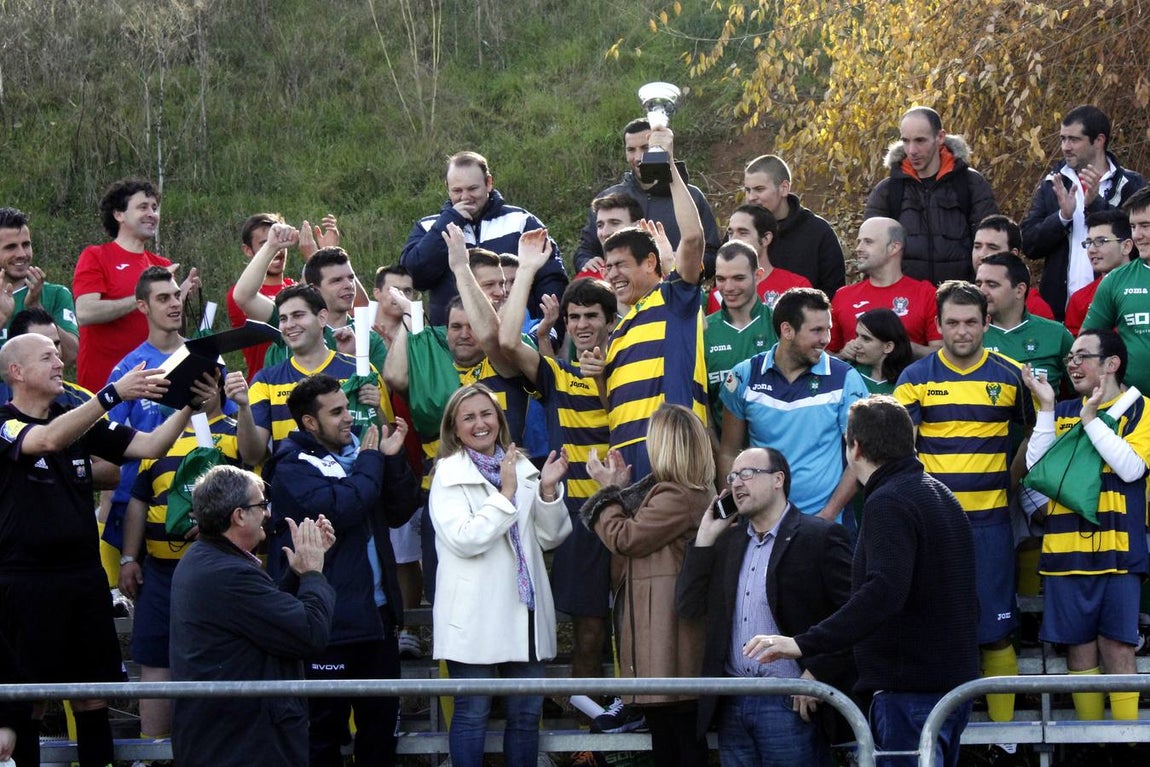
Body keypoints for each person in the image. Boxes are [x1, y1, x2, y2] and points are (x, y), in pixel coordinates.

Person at [0, 333, 210, 767]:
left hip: (83, 579)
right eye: (47, 357)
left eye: (60, 355)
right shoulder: (5, 423)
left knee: (92, 698)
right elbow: (46, 441)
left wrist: (191, 405)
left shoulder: (75, 418)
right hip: (24, 584)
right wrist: (112, 393)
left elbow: (150, 447)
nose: (60, 363)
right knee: (30, 702)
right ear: (16, 372)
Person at [746, 396, 979, 767]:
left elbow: (883, 592)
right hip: (949, 689)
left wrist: (803, 644)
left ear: (855, 447)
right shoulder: (940, 494)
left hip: (910, 694)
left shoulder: (889, 501)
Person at [894, 281, 1035, 733]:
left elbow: (1039, 431)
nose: (961, 332)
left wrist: (1011, 480)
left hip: (991, 523)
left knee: (995, 631)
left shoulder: (1012, 374)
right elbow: (900, 452)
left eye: (971, 322)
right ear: (938, 325)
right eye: (951, 323)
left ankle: (1006, 743)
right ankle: (943, 734)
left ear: (987, 323)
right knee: (937, 630)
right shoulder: (915, 379)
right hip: (935, 526)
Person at [264, 374, 417, 767]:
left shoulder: (362, 454)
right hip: (325, 623)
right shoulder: (291, 464)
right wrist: (371, 460)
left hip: (378, 618)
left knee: (380, 733)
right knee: (323, 734)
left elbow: (400, 510)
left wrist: (393, 457)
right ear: (309, 423)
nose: (348, 418)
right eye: (336, 412)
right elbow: (342, 508)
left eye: (347, 408)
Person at [676, 447, 853, 767]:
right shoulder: (727, 543)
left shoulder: (821, 537)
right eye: (732, 477)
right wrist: (705, 537)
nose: (737, 484)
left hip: (791, 702)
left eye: (747, 474)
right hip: (732, 702)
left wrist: (817, 673)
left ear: (778, 479)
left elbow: (854, 618)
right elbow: (688, 605)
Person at [428, 383, 570, 767]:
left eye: (486, 414)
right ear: (454, 428)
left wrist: (548, 491)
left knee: (526, 716)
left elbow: (550, 536)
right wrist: (505, 496)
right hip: (473, 616)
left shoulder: (522, 466)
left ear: (499, 419)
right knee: (472, 714)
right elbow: (466, 539)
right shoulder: (446, 474)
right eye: (469, 417)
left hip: (522, 613)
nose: (480, 424)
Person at [169, 465, 337, 767]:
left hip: (228, 740)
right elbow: (310, 632)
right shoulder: (227, 573)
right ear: (239, 516)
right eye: (261, 505)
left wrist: (296, 575)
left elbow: (259, 618)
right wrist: (313, 573)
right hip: (241, 746)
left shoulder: (204, 558)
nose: (268, 513)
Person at [1022, 330, 1147, 728]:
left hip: (1119, 549)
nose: (1072, 364)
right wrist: (1045, 408)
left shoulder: (1140, 408)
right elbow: (1037, 471)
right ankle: (1092, 745)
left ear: (1111, 364)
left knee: (1118, 646)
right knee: (1078, 649)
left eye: (1083, 356)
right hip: (1064, 551)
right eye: (1070, 357)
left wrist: (1091, 420)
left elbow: (1130, 468)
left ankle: (1126, 744)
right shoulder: (1062, 410)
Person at [582, 404, 713, 767]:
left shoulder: (677, 495)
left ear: (666, 445)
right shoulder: (680, 492)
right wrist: (619, 491)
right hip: (663, 642)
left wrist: (607, 492)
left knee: (680, 744)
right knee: (672, 741)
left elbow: (624, 537)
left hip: (671, 642)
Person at [117, 372, 242, 740]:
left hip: (220, 571)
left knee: (222, 659)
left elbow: (253, 484)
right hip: (160, 571)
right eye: (189, 386)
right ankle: (152, 752)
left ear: (219, 387)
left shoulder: (237, 430)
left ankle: (220, 750)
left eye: (205, 384)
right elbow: (138, 501)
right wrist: (128, 558)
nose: (198, 393)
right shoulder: (160, 436)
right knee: (155, 658)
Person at [582, 125, 709, 480]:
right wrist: (598, 378)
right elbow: (614, 408)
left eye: (621, 265)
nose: (612, 275)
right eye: (607, 267)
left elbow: (695, 237)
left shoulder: (673, 299)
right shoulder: (618, 330)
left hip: (673, 455)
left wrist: (666, 167)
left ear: (650, 263)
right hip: (628, 463)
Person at [718, 288, 869, 521]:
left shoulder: (846, 379)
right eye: (817, 330)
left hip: (824, 525)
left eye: (827, 329)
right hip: (760, 523)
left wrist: (827, 515)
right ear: (787, 330)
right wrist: (733, 513)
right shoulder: (744, 377)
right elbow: (729, 451)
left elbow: (861, 455)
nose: (826, 339)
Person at [401, 150, 567, 326]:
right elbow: (414, 277)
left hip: (515, 336)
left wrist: (548, 333)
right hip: (453, 340)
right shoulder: (429, 227)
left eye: (473, 189)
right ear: (447, 187)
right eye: (457, 190)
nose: (465, 197)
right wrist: (449, 222)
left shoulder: (521, 222)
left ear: (488, 183)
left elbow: (551, 278)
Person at [72, 177, 197, 392]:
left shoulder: (162, 265)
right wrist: (142, 298)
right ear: (119, 214)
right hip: (104, 387)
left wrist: (179, 301)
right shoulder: (96, 256)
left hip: (154, 386)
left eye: (155, 208)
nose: (152, 214)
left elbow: (172, 332)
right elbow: (85, 312)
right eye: (143, 207)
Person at [1021, 105, 1146, 317]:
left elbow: (1138, 241)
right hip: (1061, 309)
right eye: (1062, 139)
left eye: (1074, 139)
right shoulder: (1053, 183)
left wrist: (1096, 205)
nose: (1065, 147)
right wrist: (1062, 218)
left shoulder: (1130, 184)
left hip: (1118, 307)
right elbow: (1029, 244)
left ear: (1099, 140)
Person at [245, 284, 390, 464]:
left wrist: (377, 409)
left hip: (357, 484)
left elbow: (388, 437)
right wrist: (243, 407)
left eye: (298, 315)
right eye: (283, 318)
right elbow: (252, 457)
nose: (289, 325)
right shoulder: (265, 381)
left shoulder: (361, 370)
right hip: (295, 486)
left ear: (322, 318)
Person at [863, 107, 998, 285]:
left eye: (920, 141)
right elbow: (871, 255)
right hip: (905, 304)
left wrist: (976, 294)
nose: (912, 150)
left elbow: (992, 247)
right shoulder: (888, 191)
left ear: (940, 137)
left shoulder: (971, 184)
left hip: (961, 302)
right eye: (906, 141)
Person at [574, 118, 721, 275]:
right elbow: (585, 250)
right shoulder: (609, 197)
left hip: (677, 289)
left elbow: (713, 255)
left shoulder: (691, 197)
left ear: (660, 147)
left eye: (645, 148)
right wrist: (586, 261)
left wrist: (682, 261)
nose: (637, 158)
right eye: (631, 150)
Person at [831, 217, 941, 359]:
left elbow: (942, 354)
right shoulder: (843, 296)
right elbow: (823, 355)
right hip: (855, 380)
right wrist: (842, 355)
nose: (858, 248)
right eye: (859, 242)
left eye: (868, 242)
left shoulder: (926, 294)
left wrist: (903, 346)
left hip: (908, 380)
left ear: (894, 247)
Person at [742, 154, 846, 296]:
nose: (751, 197)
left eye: (759, 189)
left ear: (784, 188)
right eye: (748, 190)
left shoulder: (818, 232)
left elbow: (834, 293)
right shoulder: (739, 229)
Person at [1083, 187, 1150, 394]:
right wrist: (1115, 389)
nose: (1137, 235)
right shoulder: (1115, 281)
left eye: (1145, 226)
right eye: (1133, 226)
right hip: (1135, 410)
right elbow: (1087, 343)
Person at [704, 240, 777, 428]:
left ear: (758, 276)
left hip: (778, 449)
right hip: (724, 450)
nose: (728, 287)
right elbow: (702, 404)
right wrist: (718, 452)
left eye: (738, 278)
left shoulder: (779, 324)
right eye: (721, 279)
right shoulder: (704, 330)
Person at [976, 253, 1073, 392]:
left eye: (992, 285)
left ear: (1019, 290)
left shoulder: (1056, 334)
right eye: (978, 284)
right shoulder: (971, 335)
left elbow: (1082, 392)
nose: (982, 291)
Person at [0, 207, 79, 364]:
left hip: (40, 388)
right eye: (11, 247)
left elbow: (70, 355)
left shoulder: (56, 294)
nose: (22, 254)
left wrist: (36, 307)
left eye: (26, 244)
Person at [225, 212, 297, 378]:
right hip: (264, 389)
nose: (277, 250)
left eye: (280, 243)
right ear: (247, 250)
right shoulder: (238, 294)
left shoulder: (295, 287)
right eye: (265, 244)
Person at [706, 204, 811, 312]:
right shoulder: (719, 294)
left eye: (743, 233)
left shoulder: (796, 287)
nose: (734, 240)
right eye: (730, 233)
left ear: (766, 239)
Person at [1064, 209, 1134, 336]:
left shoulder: (1146, 285)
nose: (1091, 250)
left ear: (1126, 246)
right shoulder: (1079, 299)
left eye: (1100, 241)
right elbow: (1076, 350)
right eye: (1089, 242)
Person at [971, 215, 1055, 319]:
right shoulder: (958, 300)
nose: (982, 254)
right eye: (977, 246)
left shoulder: (1035, 308)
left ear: (1013, 254)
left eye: (992, 247)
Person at [850, 308, 914, 395]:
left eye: (866, 339)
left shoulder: (911, 380)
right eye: (857, 336)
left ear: (888, 347)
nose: (856, 344)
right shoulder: (847, 372)